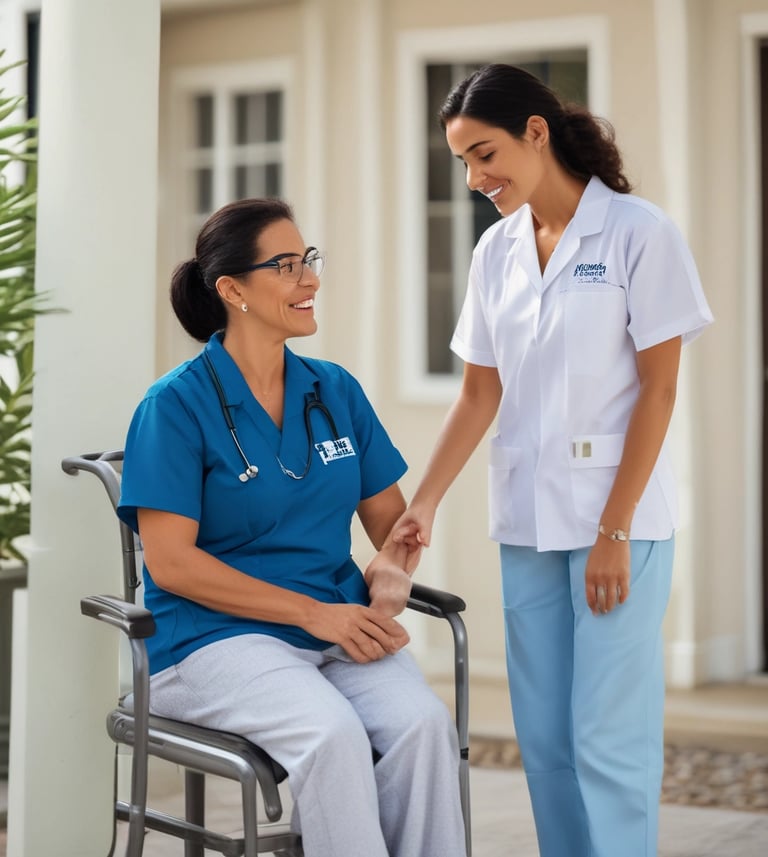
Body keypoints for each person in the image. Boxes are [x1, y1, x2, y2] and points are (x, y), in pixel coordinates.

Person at [391, 64, 713, 857]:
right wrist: (422, 503)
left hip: (618, 522)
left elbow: (659, 391)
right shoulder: (497, 251)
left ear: (538, 132)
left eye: (485, 153)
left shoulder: (639, 232)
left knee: (608, 734)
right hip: (529, 519)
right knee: (545, 737)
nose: (475, 177)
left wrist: (614, 529)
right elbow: (476, 395)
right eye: (463, 162)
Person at [116, 197, 466, 857]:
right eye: (286, 265)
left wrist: (391, 572)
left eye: (309, 260)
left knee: (422, 724)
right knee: (331, 734)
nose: (310, 279)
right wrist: (314, 614)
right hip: (211, 639)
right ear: (233, 290)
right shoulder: (174, 406)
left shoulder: (333, 391)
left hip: (332, 626)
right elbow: (172, 564)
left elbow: (391, 526)